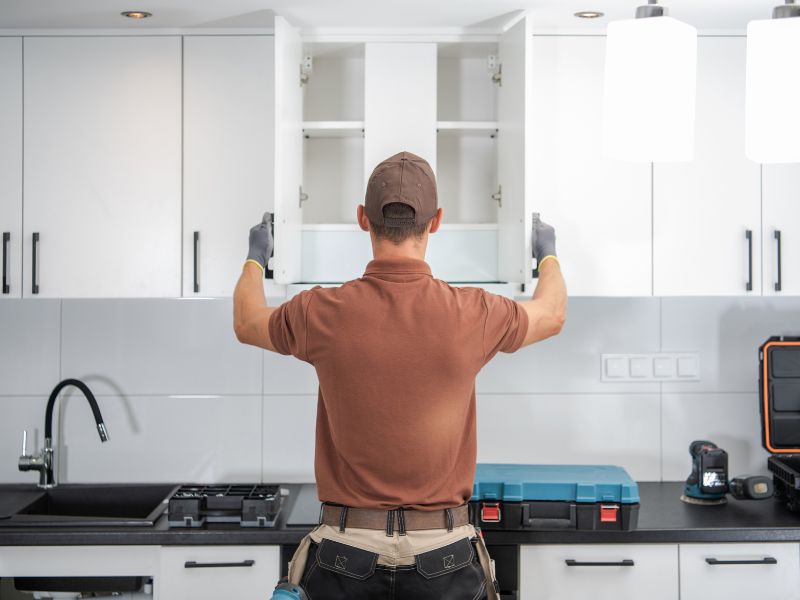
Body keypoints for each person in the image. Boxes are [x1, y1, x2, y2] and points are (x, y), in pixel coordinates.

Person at [234, 151, 566, 600]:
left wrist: (257, 256)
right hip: (444, 558)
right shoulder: (473, 313)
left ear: (362, 219)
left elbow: (247, 321)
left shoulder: (320, 312)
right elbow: (552, 314)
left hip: (345, 556)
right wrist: (547, 254)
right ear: (436, 222)